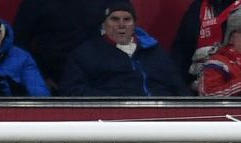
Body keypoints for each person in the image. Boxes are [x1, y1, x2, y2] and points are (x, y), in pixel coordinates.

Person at [60, 3, 190, 97]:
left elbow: (178, 87)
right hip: (114, 118)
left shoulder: (154, 51)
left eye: (127, 19)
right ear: (103, 25)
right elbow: (72, 91)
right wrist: (113, 100)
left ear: (134, 25)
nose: (121, 25)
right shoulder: (85, 54)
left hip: (162, 116)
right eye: (115, 19)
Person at [12, 0, 104, 93]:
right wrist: (38, 77)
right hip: (50, 80)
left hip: (96, 76)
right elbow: (18, 42)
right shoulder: (36, 3)